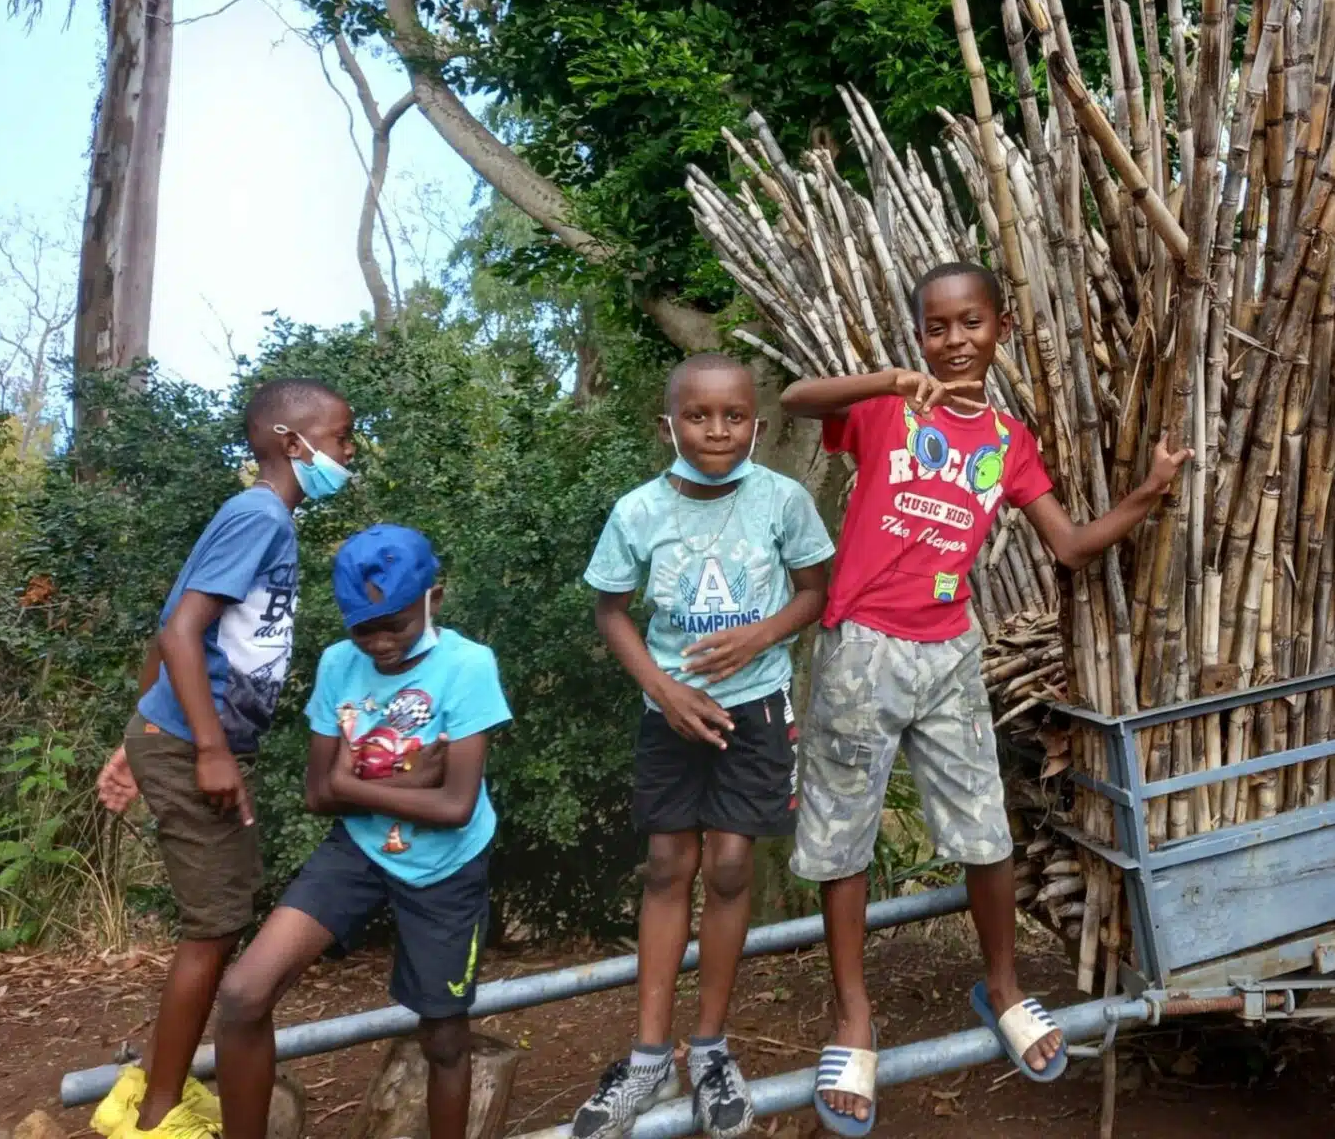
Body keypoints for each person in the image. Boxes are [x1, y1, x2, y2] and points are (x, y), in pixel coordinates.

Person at [781, 262, 1191, 1135]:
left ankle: (1002, 988)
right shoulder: (889, 410)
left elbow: (1072, 546)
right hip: (860, 649)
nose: (954, 340)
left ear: (999, 329)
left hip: (949, 652)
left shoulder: (1008, 440)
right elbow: (795, 396)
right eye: (936, 327)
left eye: (970, 323)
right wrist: (891, 378)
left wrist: (1149, 495)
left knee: (985, 830)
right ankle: (853, 1018)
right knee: (842, 836)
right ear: (920, 337)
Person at [570, 354, 833, 1139]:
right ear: (667, 426)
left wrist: (761, 632)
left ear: (755, 423)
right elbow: (611, 610)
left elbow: (817, 589)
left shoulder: (783, 500)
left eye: (733, 416)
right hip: (672, 712)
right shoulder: (638, 511)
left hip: (755, 709)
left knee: (727, 865)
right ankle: (649, 1057)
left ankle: (711, 1049)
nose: (716, 430)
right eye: (697, 416)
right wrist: (663, 688)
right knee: (666, 866)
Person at [94, 377, 355, 1139]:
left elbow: (174, 628)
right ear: (289, 441)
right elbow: (181, 633)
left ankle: (160, 1092)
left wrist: (132, 737)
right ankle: (156, 1118)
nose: (346, 453)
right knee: (212, 931)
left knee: (223, 923)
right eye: (338, 438)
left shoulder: (266, 520)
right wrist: (207, 751)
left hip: (176, 739)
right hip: (193, 749)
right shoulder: (258, 517)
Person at [212, 525, 512, 1139]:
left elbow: (455, 805)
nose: (377, 644)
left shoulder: (468, 666)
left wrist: (354, 786)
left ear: (436, 597)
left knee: (444, 1037)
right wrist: (405, 786)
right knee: (243, 993)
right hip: (359, 849)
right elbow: (317, 793)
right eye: (361, 628)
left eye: (393, 625)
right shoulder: (338, 665)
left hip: (445, 865)